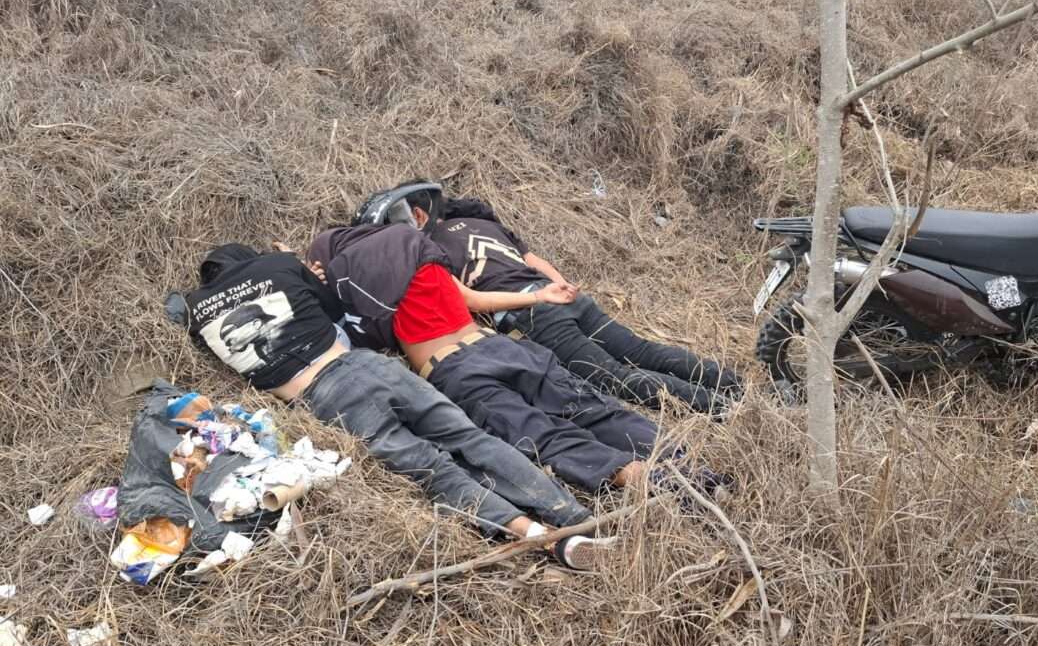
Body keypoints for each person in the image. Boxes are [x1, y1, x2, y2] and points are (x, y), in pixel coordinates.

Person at [165, 243, 617, 569]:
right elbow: (331, 308)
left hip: (321, 396)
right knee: (470, 439)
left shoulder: (197, 309)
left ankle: (532, 534)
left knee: (432, 469)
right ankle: (571, 517)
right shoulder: (278, 265)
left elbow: (175, 309)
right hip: (368, 366)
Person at [306, 224, 686, 497]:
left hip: (455, 369)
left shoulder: (350, 281)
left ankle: (645, 481)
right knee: (592, 409)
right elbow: (473, 300)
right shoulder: (415, 249)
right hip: (500, 345)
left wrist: (314, 282)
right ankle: (686, 467)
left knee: (542, 435)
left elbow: (341, 341)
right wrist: (540, 297)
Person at [356, 181, 744, 415]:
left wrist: (539, 297)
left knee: (614, 377)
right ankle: (734, 387)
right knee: (643, 351)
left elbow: (470, 301)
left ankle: (723, 409)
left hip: (534, 312)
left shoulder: (424, 251)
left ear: (418, 216)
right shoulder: (479, 222)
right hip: (565, 298)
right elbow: (531, 259)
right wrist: (560, 286)